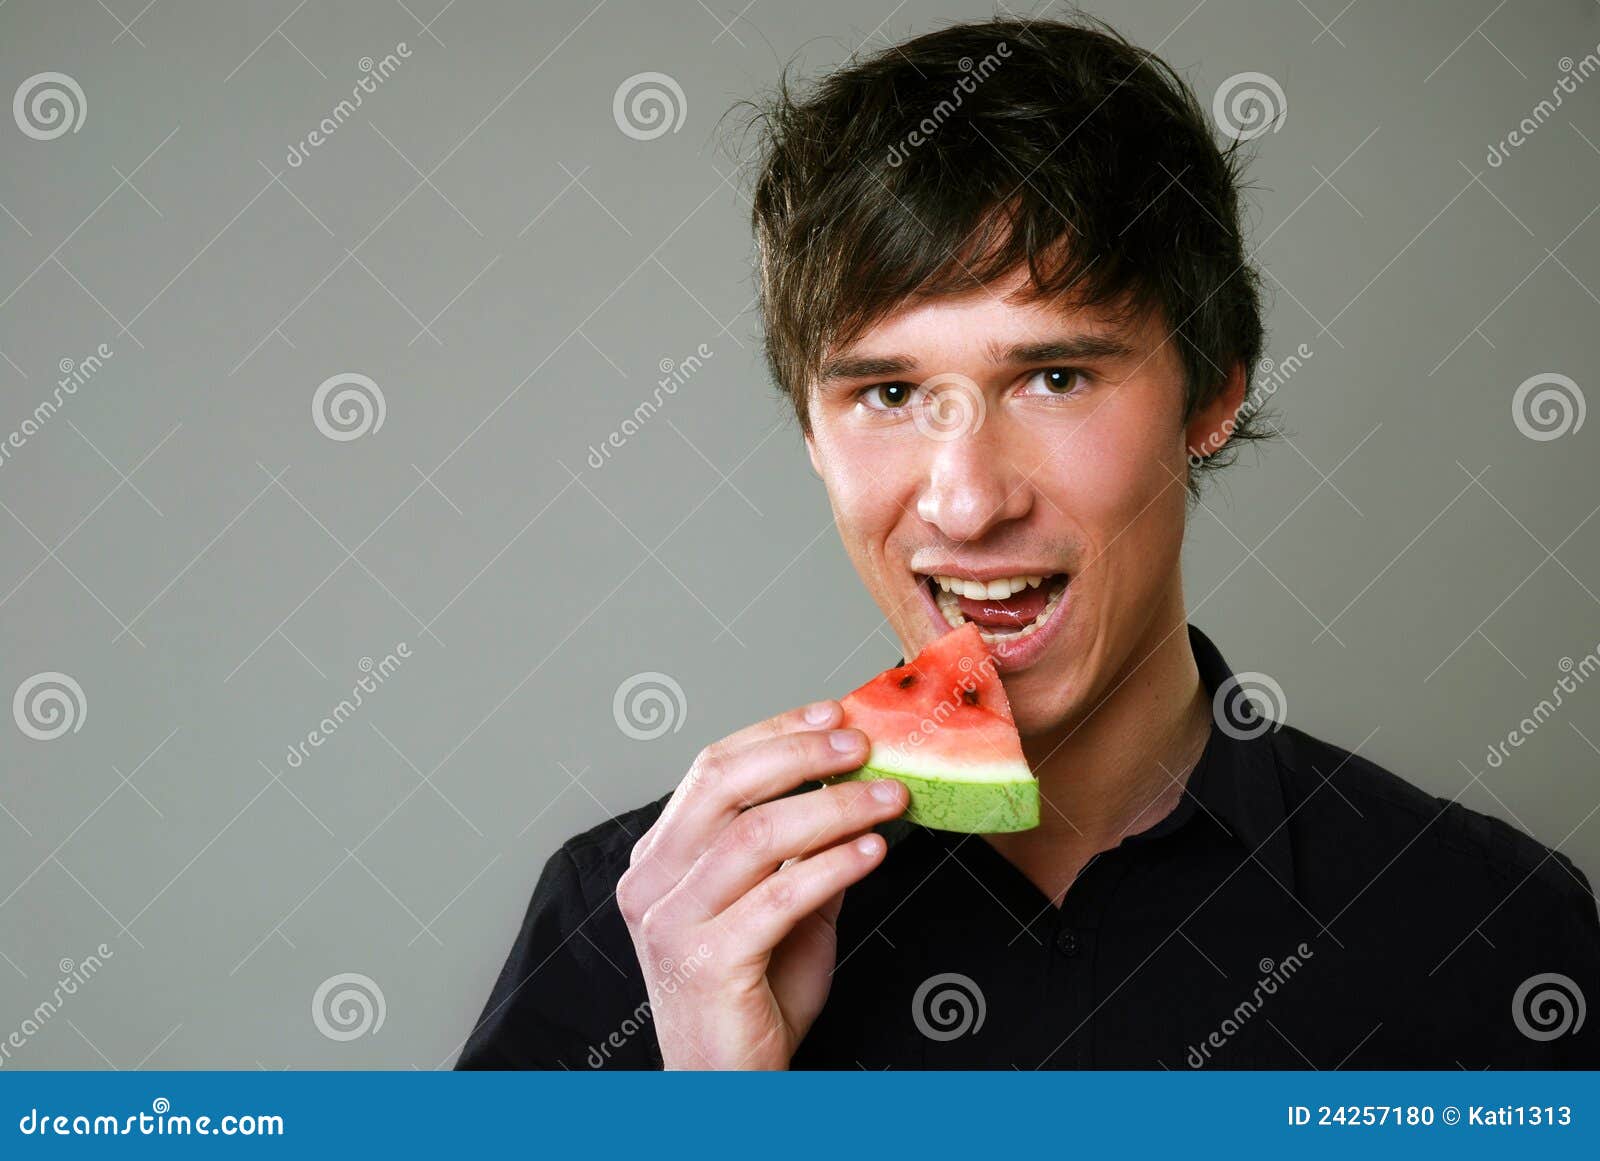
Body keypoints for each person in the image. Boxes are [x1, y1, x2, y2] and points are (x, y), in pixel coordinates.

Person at [457, 15, 1599, 1069]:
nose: (964, 502)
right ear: (809, 431)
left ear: (1213, 396)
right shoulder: (636, 929)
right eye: (887, 393)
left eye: (1054, 378)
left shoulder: (1490, 929)